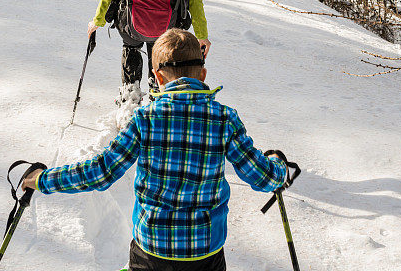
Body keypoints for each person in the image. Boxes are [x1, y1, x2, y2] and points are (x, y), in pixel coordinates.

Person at [23, 29, 290, 271]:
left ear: (157, 77)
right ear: (203, 75)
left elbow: (100, 172)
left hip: (151, 251)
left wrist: (42, 180)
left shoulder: (145, 119)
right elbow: (264, 177)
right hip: (205, 253)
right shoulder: (223, 119)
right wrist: (277, 165)